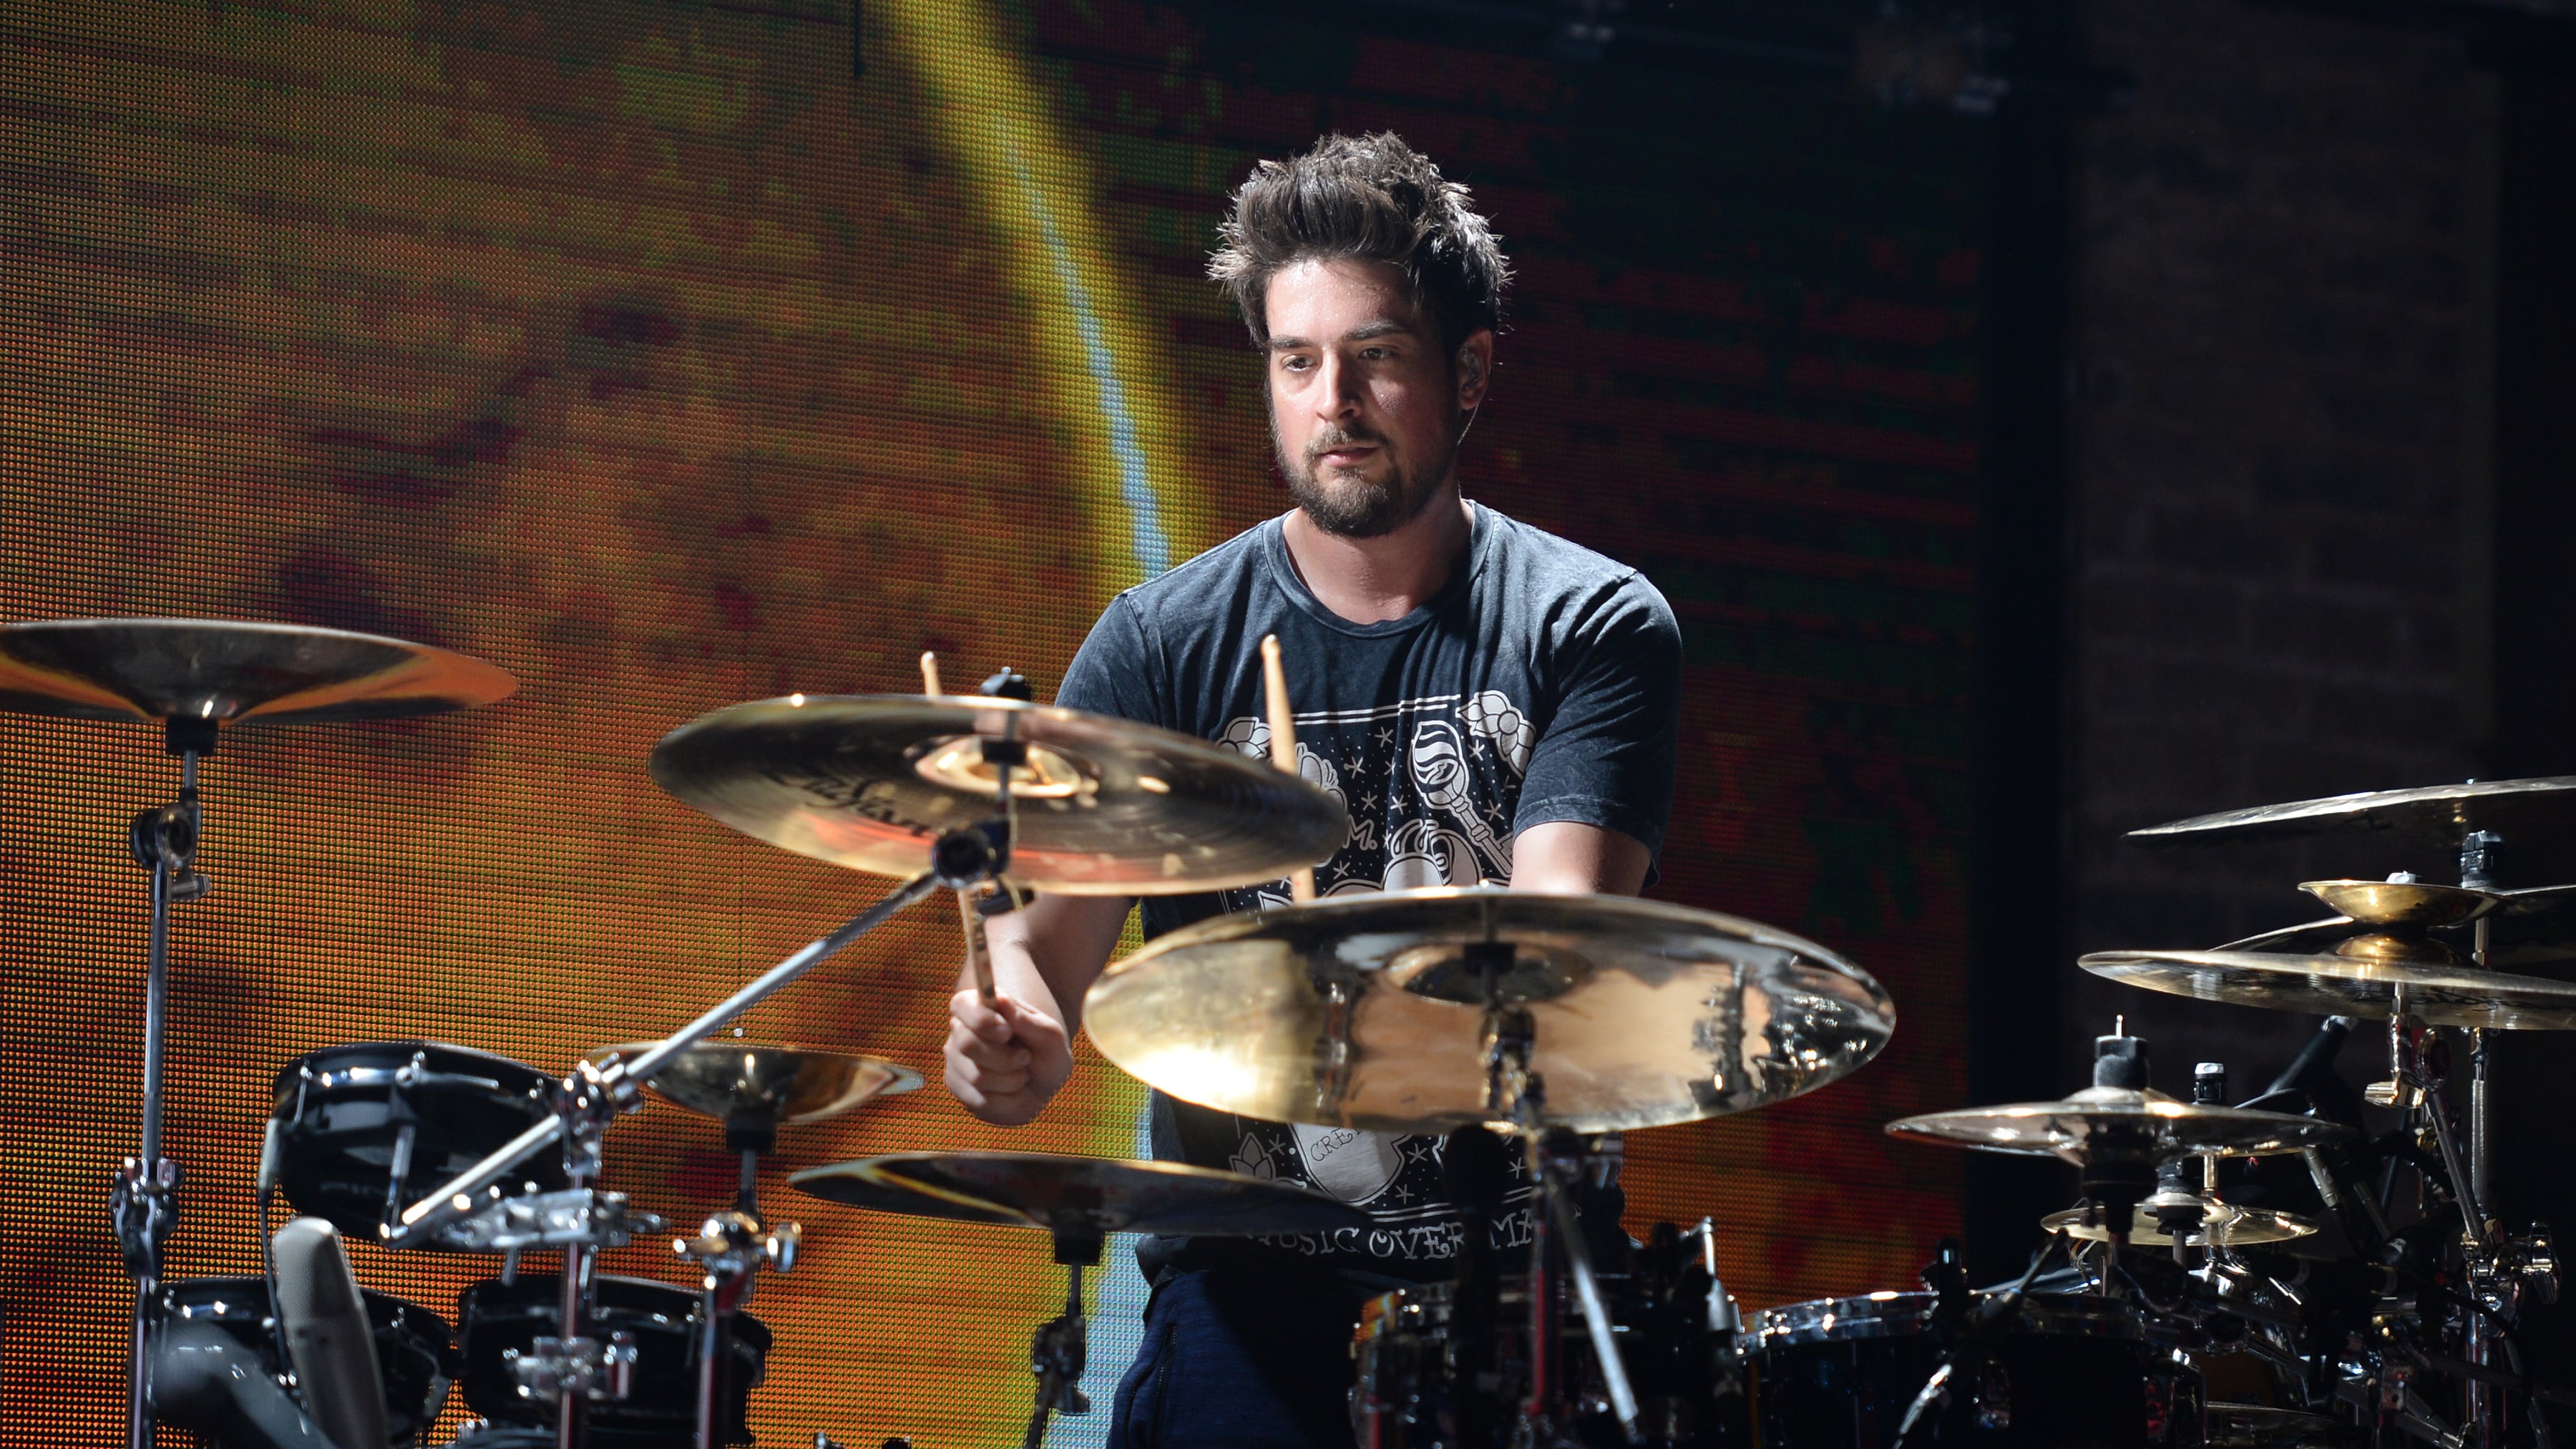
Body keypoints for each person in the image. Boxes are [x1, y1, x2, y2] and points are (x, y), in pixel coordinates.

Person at [943, 132, 1683, 1448]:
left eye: (1375, 355)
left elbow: (1550, 945)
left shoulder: (1589, 624)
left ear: (1468, 371)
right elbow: (1043, 966)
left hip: (1520, 1279)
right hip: (1250, 1281)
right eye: (1297, 361)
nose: (1332, 400)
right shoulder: (1161, 647)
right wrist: (1013, 1038)